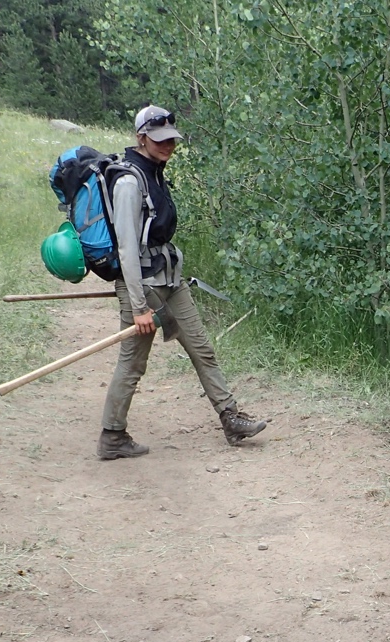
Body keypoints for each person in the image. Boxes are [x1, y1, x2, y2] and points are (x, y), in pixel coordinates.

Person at [96, 105, 266, 460]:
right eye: (159, 140)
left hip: (172, 280)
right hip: (143, 287)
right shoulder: (129, 182)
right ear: (141, 138)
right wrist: (139, 306)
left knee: (202, 348)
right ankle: (112, 436)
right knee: (133, 363)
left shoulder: (155, 173)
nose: (168, 146)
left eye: (171, 140)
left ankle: (231, 418)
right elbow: (126, 248)